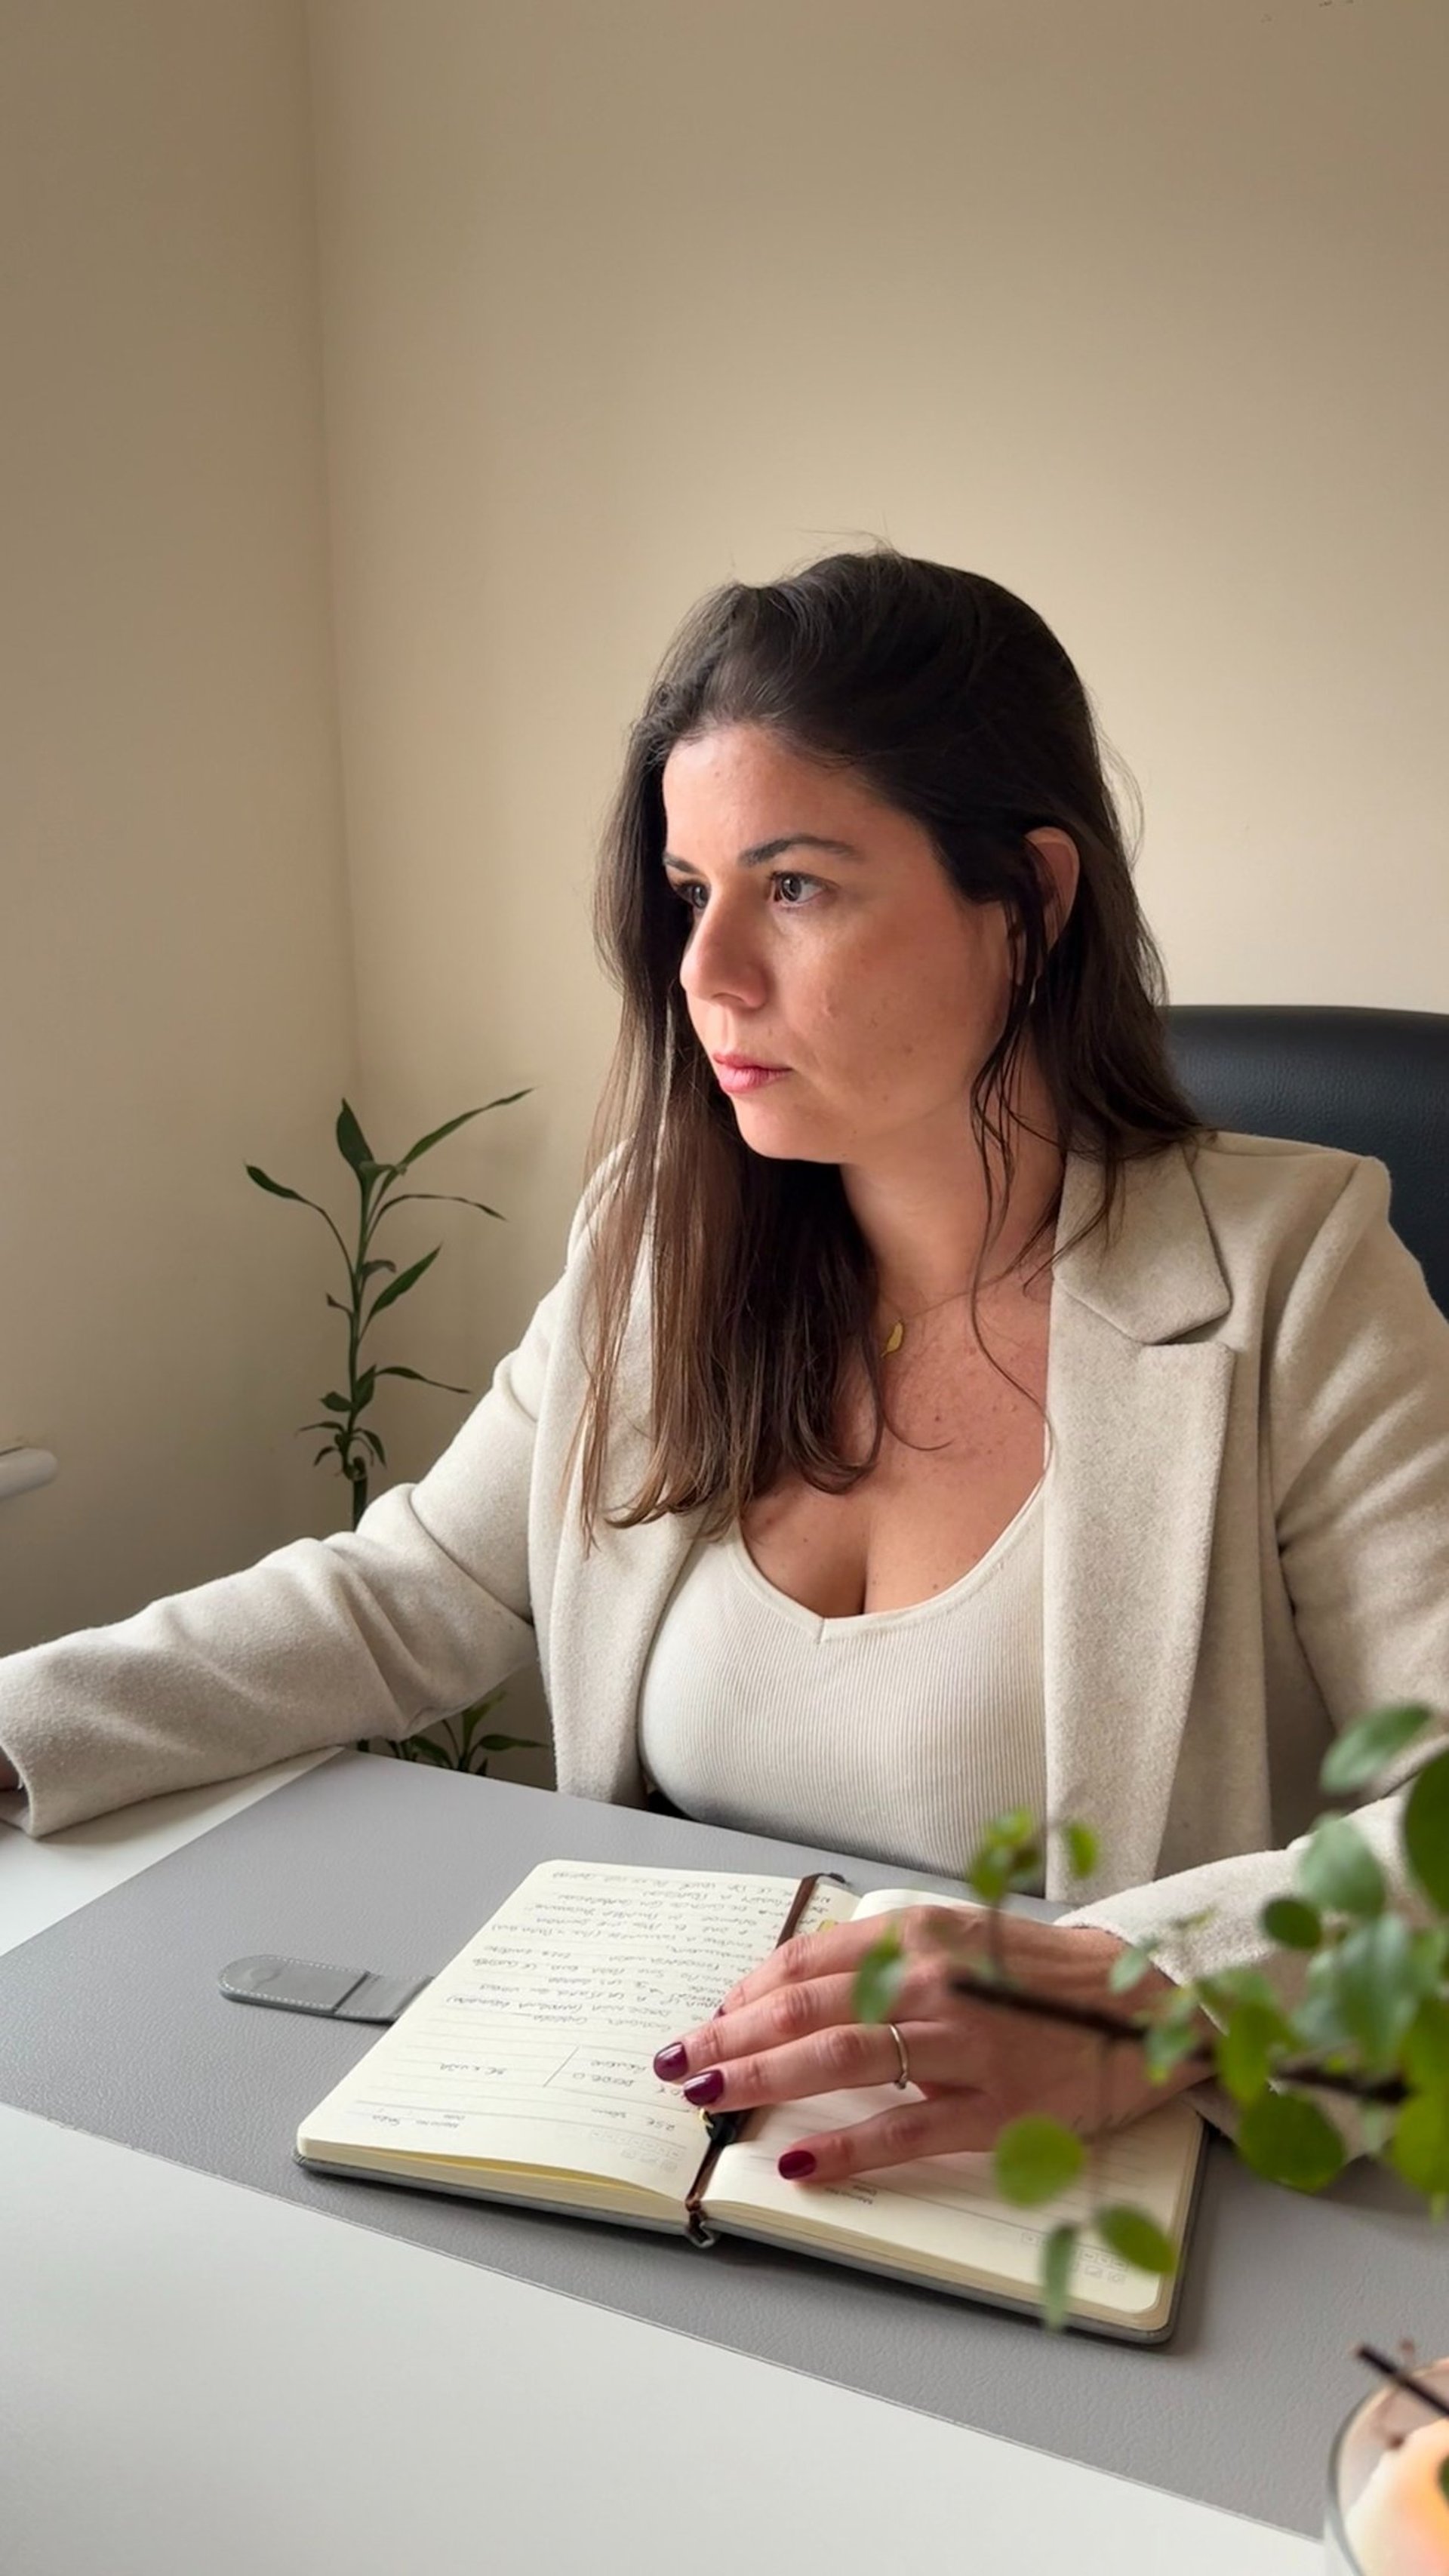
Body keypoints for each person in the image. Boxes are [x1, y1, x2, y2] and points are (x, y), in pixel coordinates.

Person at [3, 546, 1447, 2190]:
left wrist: (1155, 1992)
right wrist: (20, 1726)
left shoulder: (1297, 1280)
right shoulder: (660, 1241)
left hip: (1079, 2189)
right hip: (666, 2143)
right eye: (693, 894)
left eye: (800, 887)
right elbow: (407, 1593)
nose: (706, 973)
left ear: (1033, 904)